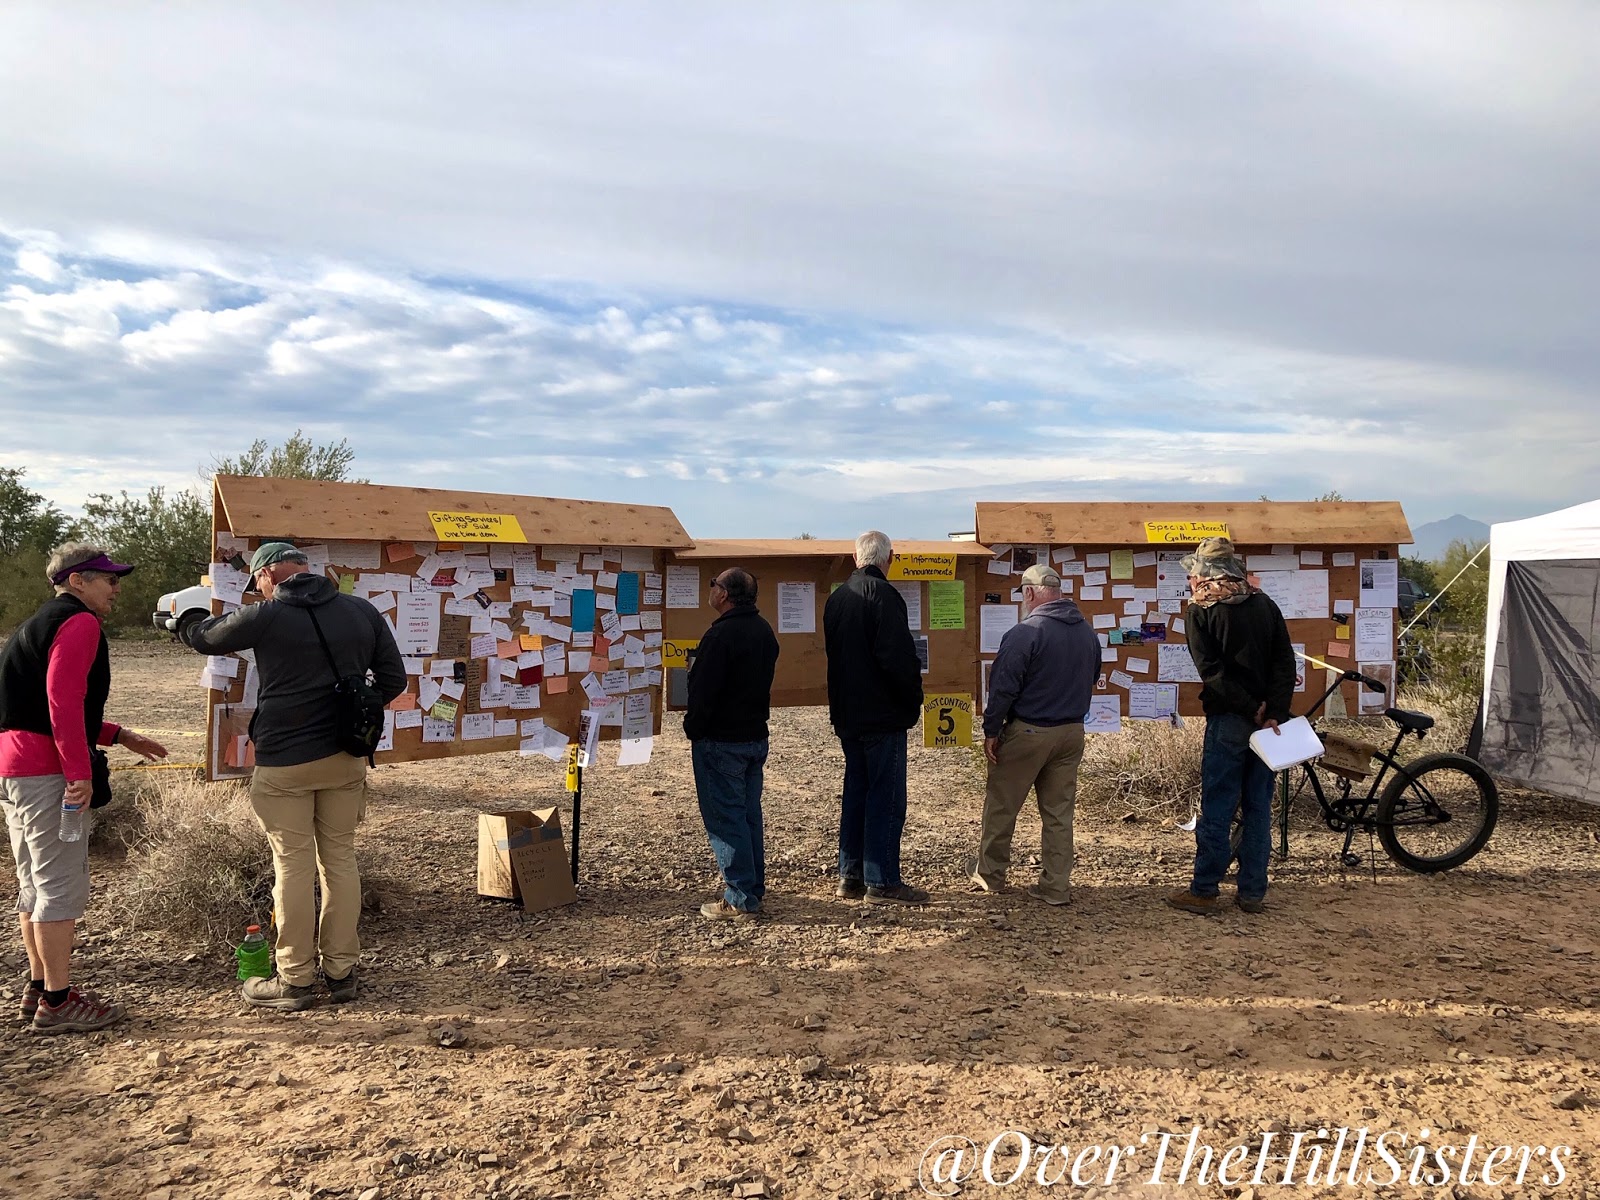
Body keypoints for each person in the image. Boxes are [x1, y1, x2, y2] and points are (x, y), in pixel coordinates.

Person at [181, 541, 405, 1009]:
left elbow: (204, 637)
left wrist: (192, 616)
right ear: (309, 570)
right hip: (345, 756)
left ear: (266, 575)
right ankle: (342, 973)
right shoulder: (361, 612)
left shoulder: (265, 614)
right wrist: (353, 705)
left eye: (256, 580)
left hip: (284, 761)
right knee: (339, 861)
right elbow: (393, 680)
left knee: (292, 867)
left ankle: (296, 979)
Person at [0, 544, 168, 1034]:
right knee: (58, 887)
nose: (117, 588)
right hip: (47, 771)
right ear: (77, 581)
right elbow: (62, 701)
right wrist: (80, 772)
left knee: (33, 885)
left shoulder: (38, 623)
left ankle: (39, 988)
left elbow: (34, 707)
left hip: (16, 768)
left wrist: (118, 734)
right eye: (108, 579)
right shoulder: (79, 623)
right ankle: (57, 1001)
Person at [1166, 536, 1295, 916]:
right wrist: (1273, 711)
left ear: (1204, 573)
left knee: (1218, 807)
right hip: (1268, 724)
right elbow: (1285, 663)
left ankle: (1205, 890)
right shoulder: (1265, 604)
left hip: (1229, 720)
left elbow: (1212, 674)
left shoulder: (1200, 610)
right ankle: (1252, 891)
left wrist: (1250, 707)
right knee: (1258, 807)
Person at [972, 564, 1099, 906]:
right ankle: (1056, 885)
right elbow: (1093, 675)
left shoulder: (1025, 632)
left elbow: (1002, 688)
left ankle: (991, 876)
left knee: (1002, 806)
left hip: (1029, 731)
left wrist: (991, 729)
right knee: (1059, 814)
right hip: (1072, 732)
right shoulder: (1087, 632)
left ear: (1029, 593)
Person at [823, 531, 927, 904]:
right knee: (886, 798)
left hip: (849, 715)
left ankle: (850, 876)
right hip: (883, 716)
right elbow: (898, 659)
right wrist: (913, 702)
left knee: (856, 793)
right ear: (890, 558)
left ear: (855, 557)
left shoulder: (836, 599)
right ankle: (881, 880)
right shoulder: (886, 597)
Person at [683, 567, 780, 922]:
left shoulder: (720, 636)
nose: (710, 590)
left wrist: (694, 728)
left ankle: (740, 896)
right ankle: (752, 889)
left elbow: (704, 692)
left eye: (714, 584)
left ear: (724, 594)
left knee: (726, 818)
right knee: (748, 815)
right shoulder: (763, 631)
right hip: (754, 737)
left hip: (722, 741)